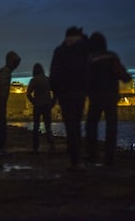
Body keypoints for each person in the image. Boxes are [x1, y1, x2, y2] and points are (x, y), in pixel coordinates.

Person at [85, 32, 132, 166]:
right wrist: (126, 77)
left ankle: (92, 154)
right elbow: (123, 75)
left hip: (95, 96)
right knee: (111, 127)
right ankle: (109, 157)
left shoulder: (90, 59)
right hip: (111, 96)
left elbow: (86, 77)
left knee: (91, 125)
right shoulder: (111, 57)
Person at [50, 26, 90, 171]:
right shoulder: (84, 49)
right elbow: (89, 70)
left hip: (64, 94)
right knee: (76, 125)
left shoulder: (59, 51)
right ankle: (76, 160)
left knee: (69, 125)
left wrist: (56, 93)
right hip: (79, 92)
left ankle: (73, 157)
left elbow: (53, 74)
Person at [26, 63, 56, 153]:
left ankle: (35, 147)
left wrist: (33, 101)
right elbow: (55, 93)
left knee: (36, 126)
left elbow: (28, 93)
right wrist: (52, 103)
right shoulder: (48, 80)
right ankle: (51, 145)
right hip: (47, 105)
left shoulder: (34, 80)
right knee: (48, 126)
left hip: (37, 105)